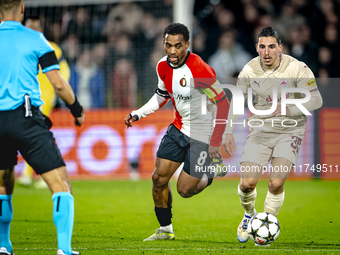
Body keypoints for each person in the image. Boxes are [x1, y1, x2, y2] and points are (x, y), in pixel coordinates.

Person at [124, 23, 230, 241]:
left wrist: (216, 141)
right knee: (158, 178)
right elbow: (162, 95)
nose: (172, 51)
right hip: (179, 128)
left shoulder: (199, 69)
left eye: (178, 46)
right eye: (168, 45)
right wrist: (138, 113)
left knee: (184, 190)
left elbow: (223, 103)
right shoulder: (162, 66)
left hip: (202, 134)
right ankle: (165, 229)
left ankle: (210, 172)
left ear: (187, 45)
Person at [222, 27, 322, 245]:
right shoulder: (249, 70)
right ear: (257, 48)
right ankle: (249, 216)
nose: (266, 52)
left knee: (276, 183)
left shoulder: (297, 68)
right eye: (262, 47)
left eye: (271, 47)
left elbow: (316, 100)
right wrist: (228, 130)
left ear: (280, 48)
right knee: (247, 183)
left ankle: (267, 222)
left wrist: (290, 109)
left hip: (290, 130)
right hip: (260, 130)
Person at [0, 1, 85, 254]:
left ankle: (3, 245)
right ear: (23, 8)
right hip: (26, 118)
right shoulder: (36, 39)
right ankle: (64, 250)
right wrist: (77, 109)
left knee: (3, 184)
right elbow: (58, 84)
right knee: (61, 184)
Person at [17, 16, 71, 189]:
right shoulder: (20, 47)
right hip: (22, 97)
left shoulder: (51, 48)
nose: (31, 30)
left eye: (35, 27)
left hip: (44, 98)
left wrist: (59, 91)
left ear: (40, 29)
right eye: (29, 27)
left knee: (36, 135)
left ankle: (34, 175)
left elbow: (65, 70)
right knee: (33, 136)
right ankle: (39, 175)